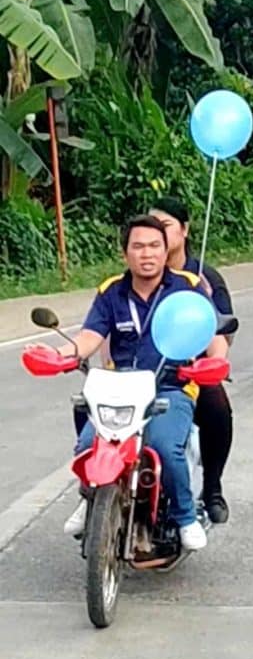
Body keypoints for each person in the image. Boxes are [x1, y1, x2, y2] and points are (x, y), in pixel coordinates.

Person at [50, 216, 228, 550]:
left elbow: (212, 334)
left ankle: (186, 516)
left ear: (166, 251)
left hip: (172, 386)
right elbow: (89, 336)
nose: (146, 254)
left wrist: (215, 361)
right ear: (125, 253)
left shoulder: (188, 286)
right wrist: (60, 354)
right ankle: (90, 499)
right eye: (138, 246)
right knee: (88, 446)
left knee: (163, 447)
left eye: (154, 246)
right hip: (119, 390)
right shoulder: (110, 291)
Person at [149, 197, 235, 524]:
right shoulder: (137, 277)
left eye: (166, 227)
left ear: (184, 230)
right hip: (142, 373)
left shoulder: (205, 279)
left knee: (217, 407)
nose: (157, 237)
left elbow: (222, 331)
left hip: (190, 372)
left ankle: (211, 488)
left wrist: (212, 365)